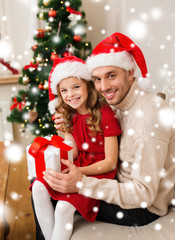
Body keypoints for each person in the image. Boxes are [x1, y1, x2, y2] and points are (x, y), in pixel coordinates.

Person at [43, 32, 175, 228]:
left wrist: (81, 183)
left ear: (130, 72)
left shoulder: (150, 117)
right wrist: (66, 126)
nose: (103, 87)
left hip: (141, 208)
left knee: (54, 194)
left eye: (111, 76)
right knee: (43, 181)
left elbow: (143, 195)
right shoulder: (116, 104)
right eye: (97, 79)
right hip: (116, 180)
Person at [31, 55, 121, 240]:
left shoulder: (105, 114)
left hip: (98, 172)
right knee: (39, 186)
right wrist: (66, 130)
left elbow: (111, 163)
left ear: (88, 86)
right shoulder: (70, 114)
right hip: (78, 164)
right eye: (64, 90)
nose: (70, 95)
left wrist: (78, 172)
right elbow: (74, 152)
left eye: (76, 87)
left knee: (64, 208)